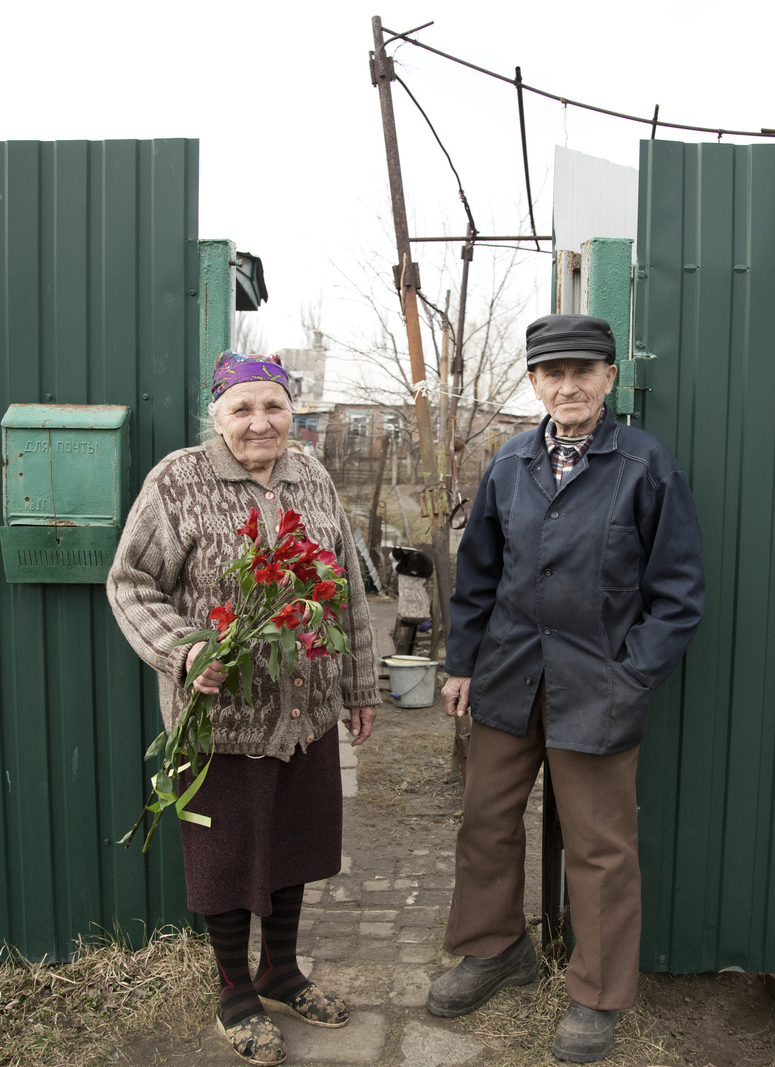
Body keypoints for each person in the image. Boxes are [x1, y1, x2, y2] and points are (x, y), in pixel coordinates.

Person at [427, 314, 706, 1063]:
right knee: (485, 818)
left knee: (599, 845)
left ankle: (596, 993)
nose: (568, 385)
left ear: (610, 378)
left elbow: (679, 593)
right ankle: (495, 949)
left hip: (597, 685)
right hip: (508, 677)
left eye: (584, 370)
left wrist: (632, 671)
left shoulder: (646, 466)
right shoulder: (509, 463)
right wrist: (460, 663)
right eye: (553, 373)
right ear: (534, 382)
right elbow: (478, 573)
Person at [108, 352, 381, 1067]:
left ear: (292, 411)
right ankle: (236, 990)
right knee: (226, 859)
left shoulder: (312, 474)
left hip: (306, 714)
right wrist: (184, 650)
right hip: (221, 722)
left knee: (294, 842)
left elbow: (346, 586)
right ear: (218, 417)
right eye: (242, 409)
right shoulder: (177, 481)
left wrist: (360, 684)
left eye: (274, 407)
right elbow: (130, 582)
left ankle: (281, 970)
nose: (260, 422)